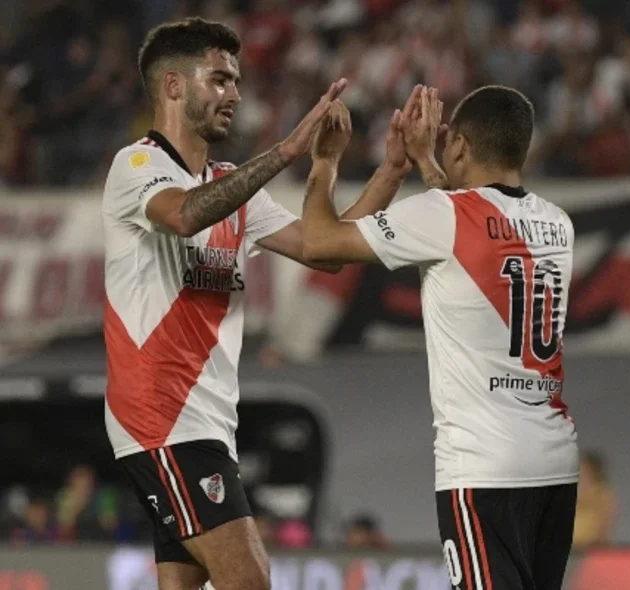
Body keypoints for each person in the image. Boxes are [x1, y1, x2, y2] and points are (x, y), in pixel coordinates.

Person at [101, 17, 393, 589]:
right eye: (219, 79)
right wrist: (286, 150)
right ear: (173, 86)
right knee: (251, 580)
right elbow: (186, 213)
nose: (234, 92)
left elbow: (325, 250)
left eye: (236, 80)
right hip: (162, 418)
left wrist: (383, 169)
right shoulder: (136, 167)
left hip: (208, 423)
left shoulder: (231, 183)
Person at [299, 85, 578, 590]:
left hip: (483, 469)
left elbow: (320, 244)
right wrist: (428, 162)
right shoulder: (557, 224)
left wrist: (325, 161)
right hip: (553, 464)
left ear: (462, 147)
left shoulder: (441, 216)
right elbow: (476, 222)